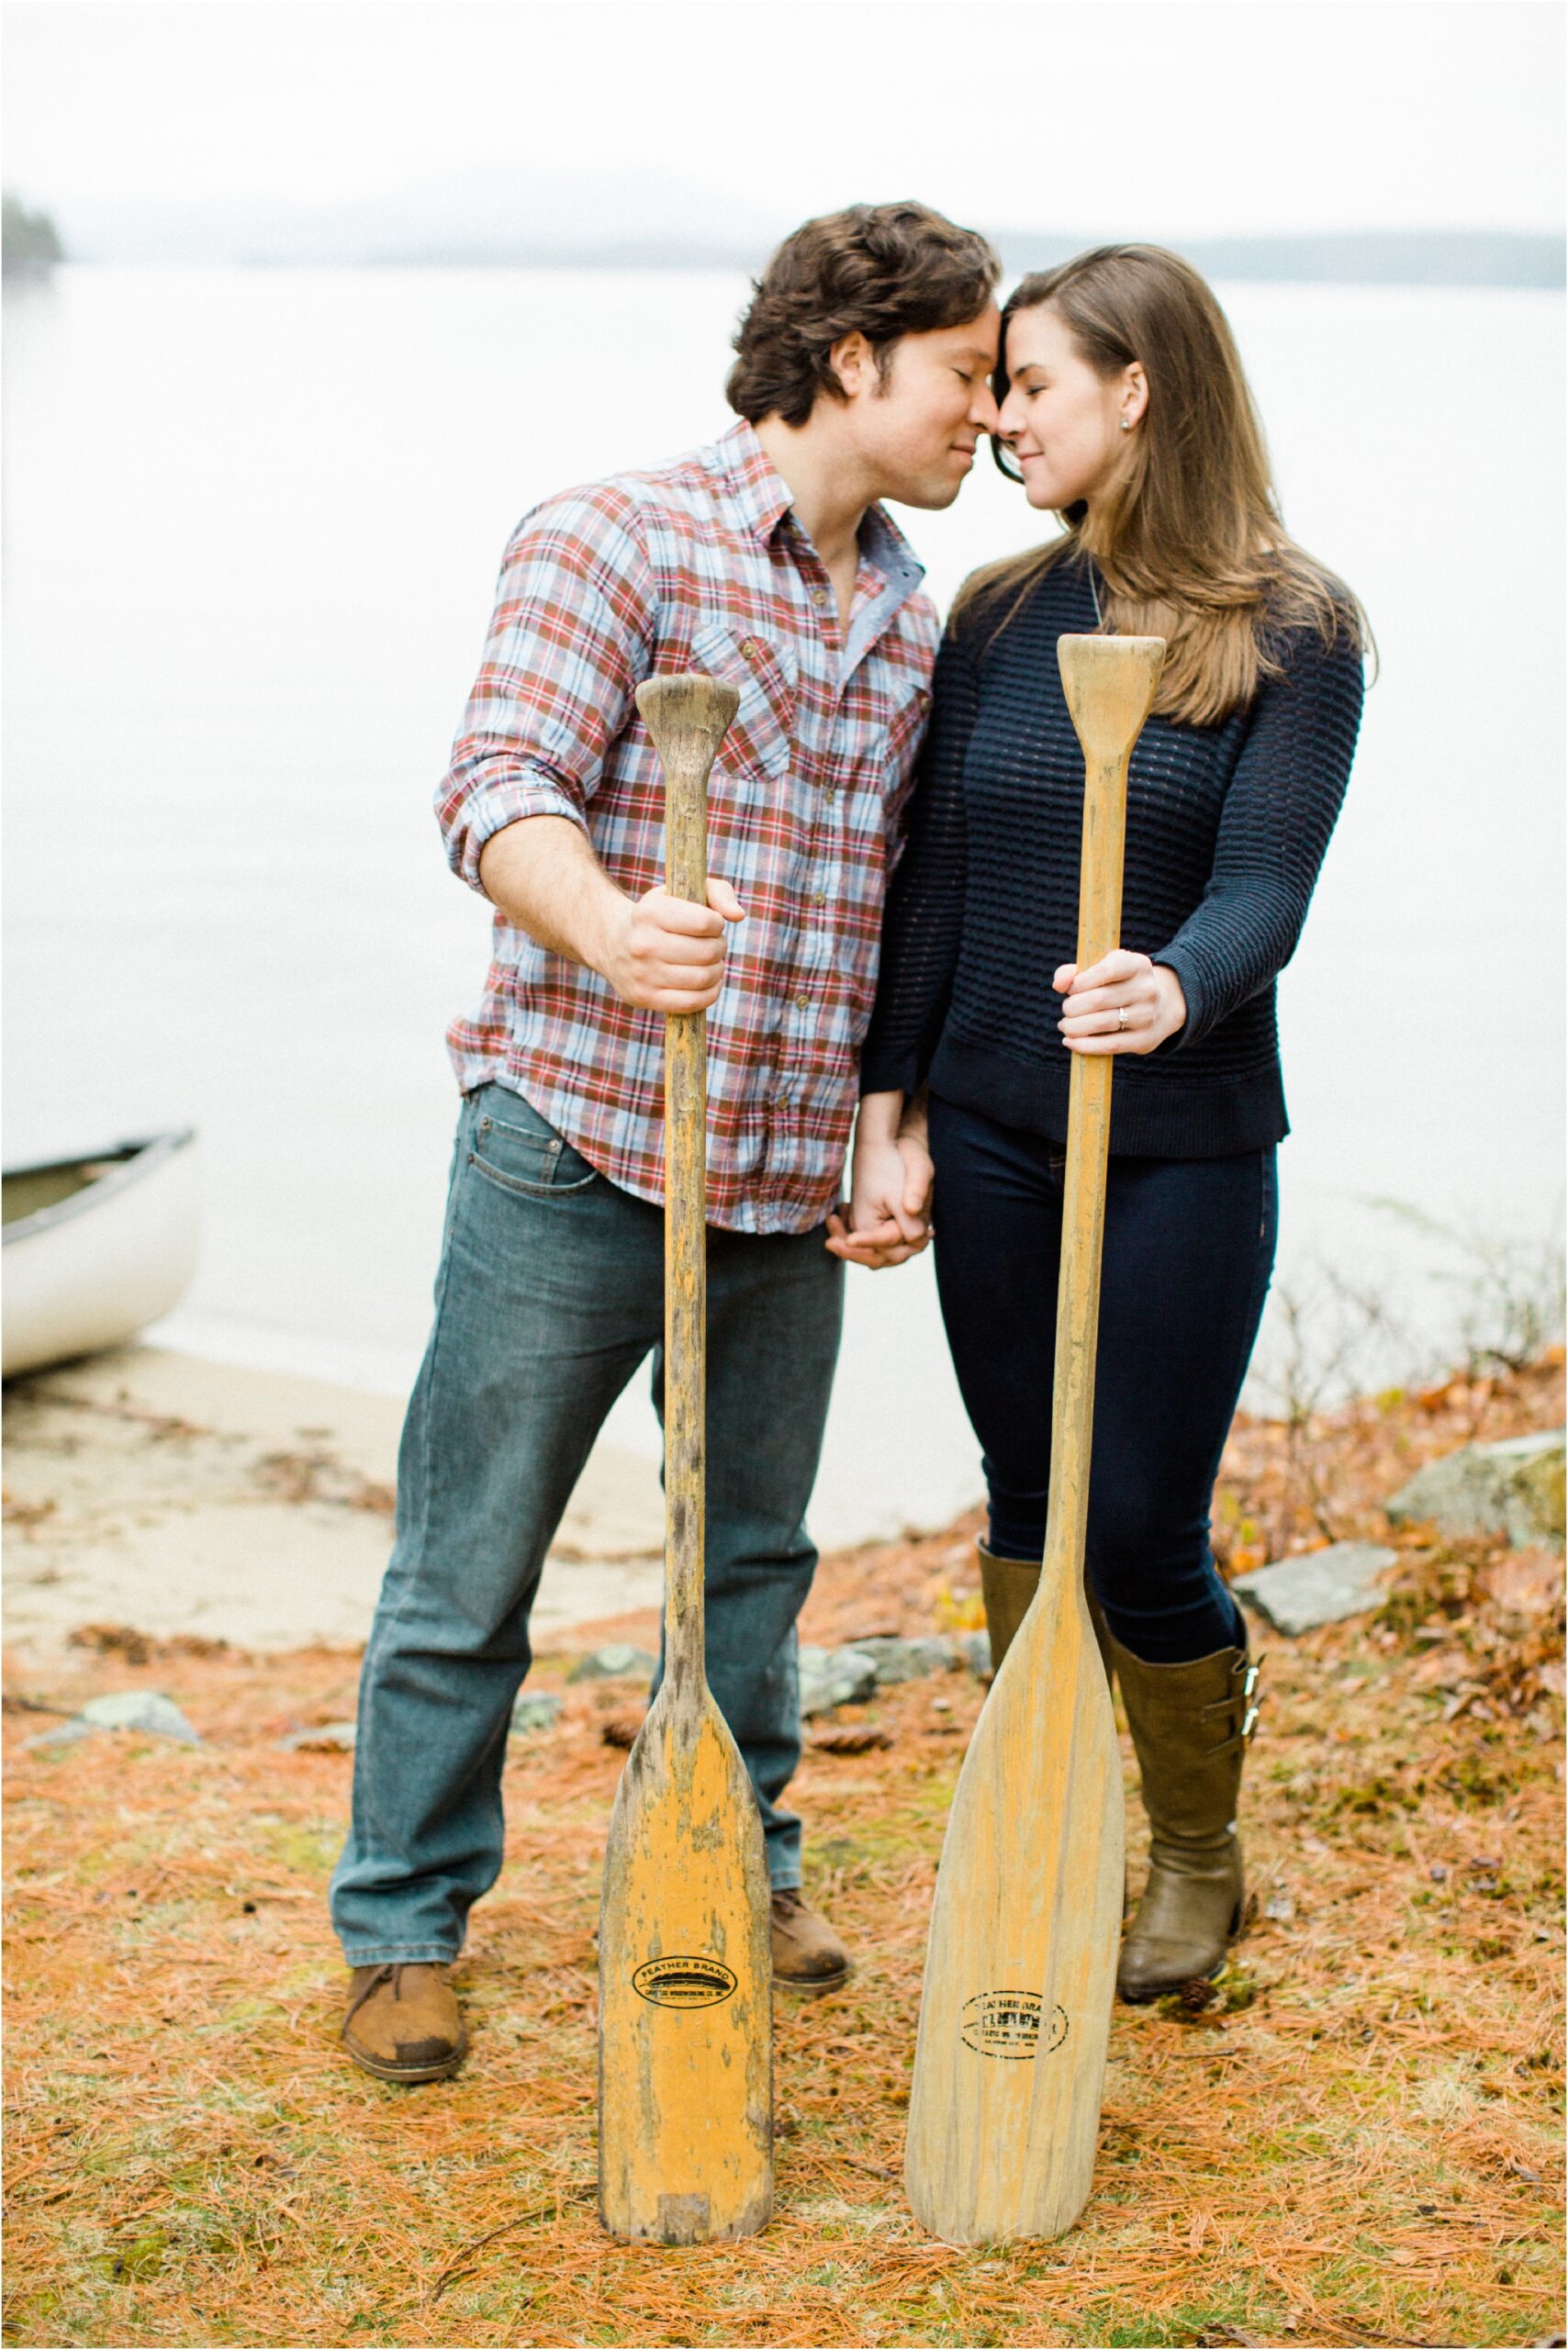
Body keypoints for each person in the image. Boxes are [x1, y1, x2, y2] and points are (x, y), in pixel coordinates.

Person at [330, 201, 1002, 2082]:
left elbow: (895, 900)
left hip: (784, 1182)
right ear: (852, 360)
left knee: (752, 1566)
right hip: (575, 1146)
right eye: (962, 370)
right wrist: (614, 927)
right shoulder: (610, 533)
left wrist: (897, 1124)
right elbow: (494, 786)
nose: (983, 413)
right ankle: (400, 1922)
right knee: (469, 1567)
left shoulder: (908, 610)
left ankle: (736, 1857)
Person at [832, 244, 1368, 2002]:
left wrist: (1178, 983)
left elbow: (1271, 883)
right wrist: (887, 1112)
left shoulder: (1296, 628)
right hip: (992, 1123)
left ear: (1139, 390)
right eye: (991, 390)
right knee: (1019, 1494)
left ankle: (1201, 1856)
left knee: (1140, 1519)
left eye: (1034, 386)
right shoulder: (994, 617)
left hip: (1189, 1143)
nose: (998, 420)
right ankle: (1051, 1817)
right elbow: (936, 887)